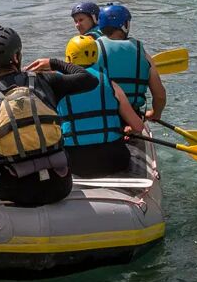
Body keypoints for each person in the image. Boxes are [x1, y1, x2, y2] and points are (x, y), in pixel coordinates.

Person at [0, 25, 99, 207]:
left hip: (14, 191)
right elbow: (89, 80)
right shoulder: (45, 80)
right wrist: (53, 63)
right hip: (59, 186)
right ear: (16, 57)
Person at [58, 35, 145, 177]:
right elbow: (138, 127)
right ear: (96, 56)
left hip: (75, 164)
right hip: (114, 161)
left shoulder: (55, 85)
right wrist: (126, 129)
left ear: (68, 58)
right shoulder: (110, 84)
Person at [96, 4, 166, 121]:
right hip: (132, 118)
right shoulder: (142, 54)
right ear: (125, 25)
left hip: (101, 117)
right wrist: (155, 114)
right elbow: (160, 96)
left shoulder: (91, 51)